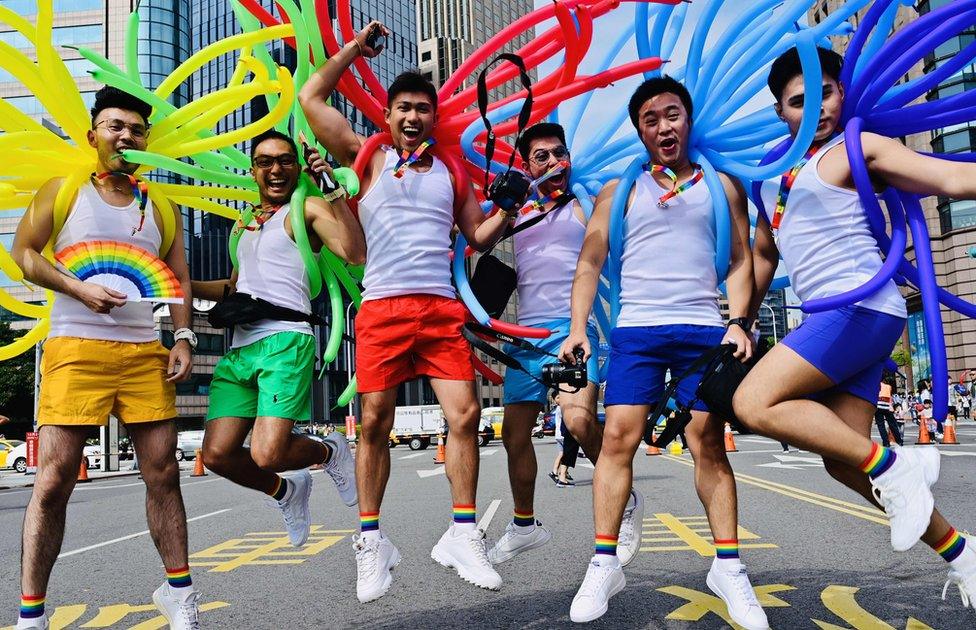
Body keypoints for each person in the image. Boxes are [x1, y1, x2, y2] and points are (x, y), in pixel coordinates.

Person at [737, 45, 976, 609]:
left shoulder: (858, 147)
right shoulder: (770, 177)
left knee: (753, 402)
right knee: (842, 461)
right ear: (780, 112)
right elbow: (765, 252)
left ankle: (900, 462)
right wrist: (741, 319)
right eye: (801, 100)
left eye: (827, 93)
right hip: (829, 316)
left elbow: (952, 178)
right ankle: (963, 554)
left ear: (843, 93)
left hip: (863, 309)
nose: (817, 108)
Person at [299, 21, 522, 601]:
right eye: (403, 108)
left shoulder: (451, 171)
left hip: (441, 310)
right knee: (374, 422)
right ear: (390, 114)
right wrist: (353, 49)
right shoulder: (366, 157)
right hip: (382, 308)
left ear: (434, 116)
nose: (413, 117)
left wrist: (511, 208)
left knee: (467, 414)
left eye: (423, 109)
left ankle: (463, 531)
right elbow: (310, 98)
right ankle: (371, 542)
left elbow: (479, 237)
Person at [559, 77, 766, 627]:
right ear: (639, 130)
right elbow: (589, 261)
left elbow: (741, 259)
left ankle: (728, 567)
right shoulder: (616, 191)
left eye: (671, 115)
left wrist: (739, 322)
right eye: (650, 120)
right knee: (618, 441)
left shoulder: (721, 186)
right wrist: (579, 327)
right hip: (638, 330)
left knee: (707, 444)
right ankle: (605, 560)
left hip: (703, 329)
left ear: (688, 118)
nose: (663, 127)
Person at [10, 86, 199, 628]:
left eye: (136, 130)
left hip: (144, 350)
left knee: (163, 472)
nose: (126, 136)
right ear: (94, 134)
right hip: (75, 345)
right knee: (52, 480)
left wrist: (183, 337)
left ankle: (181, 596)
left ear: (147, 140)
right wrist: (77, 288)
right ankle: (32, 614)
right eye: (115, 126)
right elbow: (23, 254)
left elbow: (179, 278)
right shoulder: (65, 189)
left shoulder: (160, 205)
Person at [195, 130, 363, 549]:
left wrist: (334, 191)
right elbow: (236, 288)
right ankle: (286, 492)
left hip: (286, 339)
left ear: (298, 167)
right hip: (240, 349)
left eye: (285, 160)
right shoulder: (244, 223)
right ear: (253, 170)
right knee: (216, 455)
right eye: (265, 161)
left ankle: (329, 452)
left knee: (268, 453)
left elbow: (354, 252)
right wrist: (183, 283)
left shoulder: (307, 209)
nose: (275, 169)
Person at [486, 122, 642, 567]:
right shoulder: (516, 212)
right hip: (524, 337)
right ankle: (524, 525)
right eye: (543, 157)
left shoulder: (584, 205)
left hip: (571, 331)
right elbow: (475, 239)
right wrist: (505, 207)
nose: (555, 163)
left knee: (576, 422)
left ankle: (626, 500)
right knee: (514, 434)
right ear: (525, 164)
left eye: (560, 153)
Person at [875, 375, 902, 447]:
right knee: (893, 424)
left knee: (881, 425)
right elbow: (890, 398)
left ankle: (886, 442)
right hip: (887, 407)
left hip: (878, 406)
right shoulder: (888, 387)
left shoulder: (876, 385)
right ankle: (899, 440)